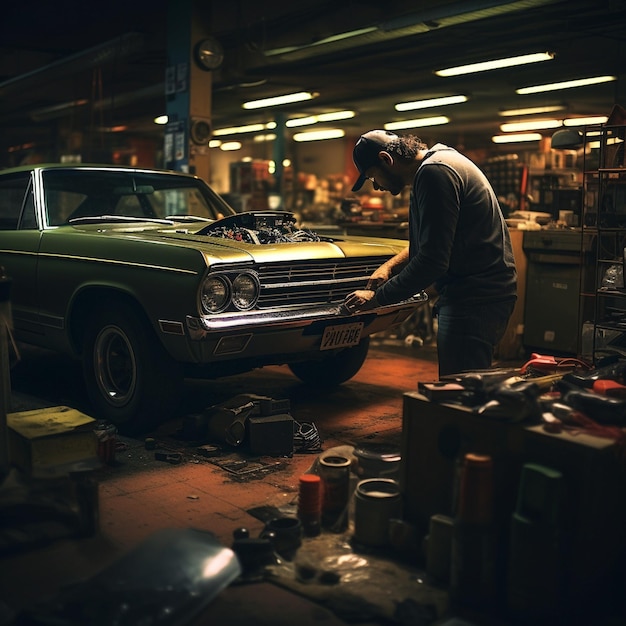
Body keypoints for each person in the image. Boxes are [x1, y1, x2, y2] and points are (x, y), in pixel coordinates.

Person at [343, 130, 517, 377]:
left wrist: (376, 299)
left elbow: (433, 261)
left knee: (459, 390)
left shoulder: (434, 174)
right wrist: (390, 267)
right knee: (465, 386)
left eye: (373, 178)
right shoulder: (439, 162)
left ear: (386, 159)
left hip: (475, 298)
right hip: (483, 294)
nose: (377, 187)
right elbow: (433, 240)